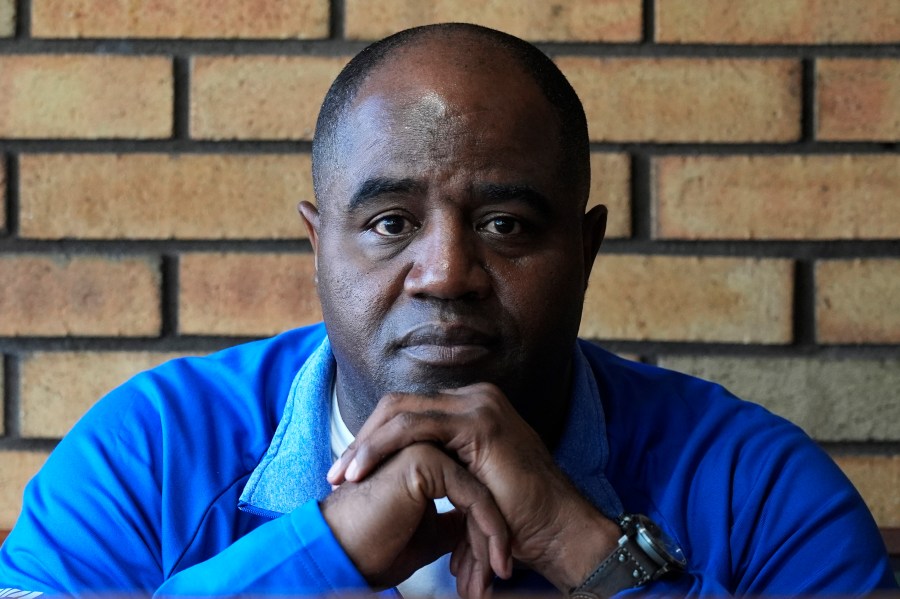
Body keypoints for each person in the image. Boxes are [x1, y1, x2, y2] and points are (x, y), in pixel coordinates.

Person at [0, 23, 896, 598]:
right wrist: (326, 551)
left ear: (585, 251)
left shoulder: (759, 486)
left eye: (506, 224)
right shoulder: (146, 455)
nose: (447, 273)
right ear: (319, 246)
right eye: (391, 222)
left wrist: (577, 540)